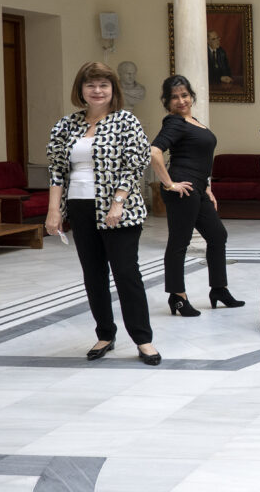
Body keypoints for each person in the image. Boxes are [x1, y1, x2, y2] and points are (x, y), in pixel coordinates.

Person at [44, 62, 160, 365]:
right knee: (94, 275)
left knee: (126, 274)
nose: (97, 91)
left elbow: (135, 163)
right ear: (81, 90)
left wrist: (118, 202)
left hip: (118, 209)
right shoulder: (67, 125)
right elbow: (56, 169)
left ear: (113, 90)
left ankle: (143, 339)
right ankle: (105, 334)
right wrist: (53, 211)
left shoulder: (125, 121)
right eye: (91, 85)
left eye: (103, 86)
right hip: (81, 207)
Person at [149, 74, 239, 318]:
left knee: (218, 235)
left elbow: (200, 158)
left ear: (191, 96)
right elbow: (155, 152)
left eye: (184, 95)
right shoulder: (175, 122)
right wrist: (169, 184)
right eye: (175, 97)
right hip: (183, 190)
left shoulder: (193, 121)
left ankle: (219, 289)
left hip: (197, 188)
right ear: (167, 102)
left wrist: (207, 186)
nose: (181, 101)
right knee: (180, 242)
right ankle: (177, 297)